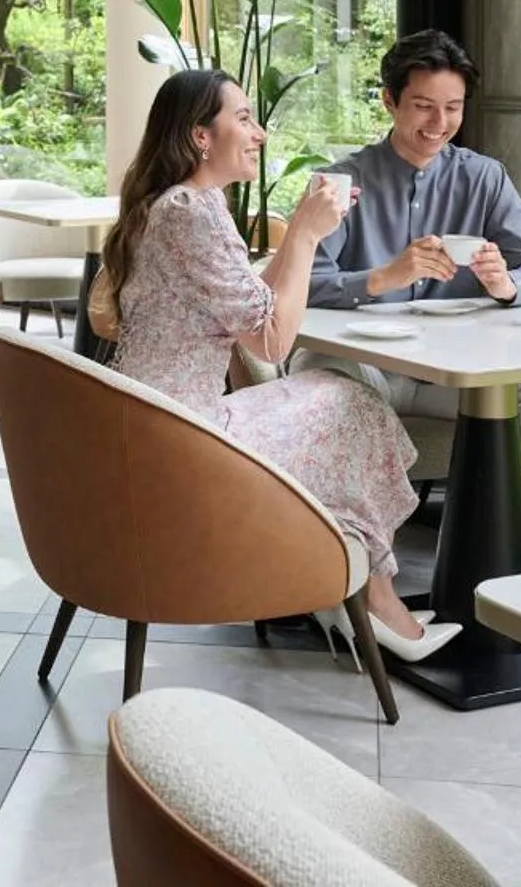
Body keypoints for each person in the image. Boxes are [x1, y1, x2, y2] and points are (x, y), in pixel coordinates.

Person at [95, 68, 459, 661]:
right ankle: (373, 599)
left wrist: (299, 233)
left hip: (154, 424)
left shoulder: (177, 204)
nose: (259, 132)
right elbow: (268, 342)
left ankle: (350, 587)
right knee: (351, 404)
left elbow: (249, 305)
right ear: (200, 137)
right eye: (242, 118)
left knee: (343, 399)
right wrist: (308, 237)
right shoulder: (194, 211)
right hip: (179, 438)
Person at [303, 30, 521, 551]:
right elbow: (301, 283)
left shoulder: (484, 179)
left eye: (453, 108)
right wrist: (382, 278)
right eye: (424, 106)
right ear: (390, 100)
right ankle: (351, 550)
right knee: (325, 377)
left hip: (454, 373)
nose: (439, 124)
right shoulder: (338, 182)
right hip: (370, 370)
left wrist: (505, 284)